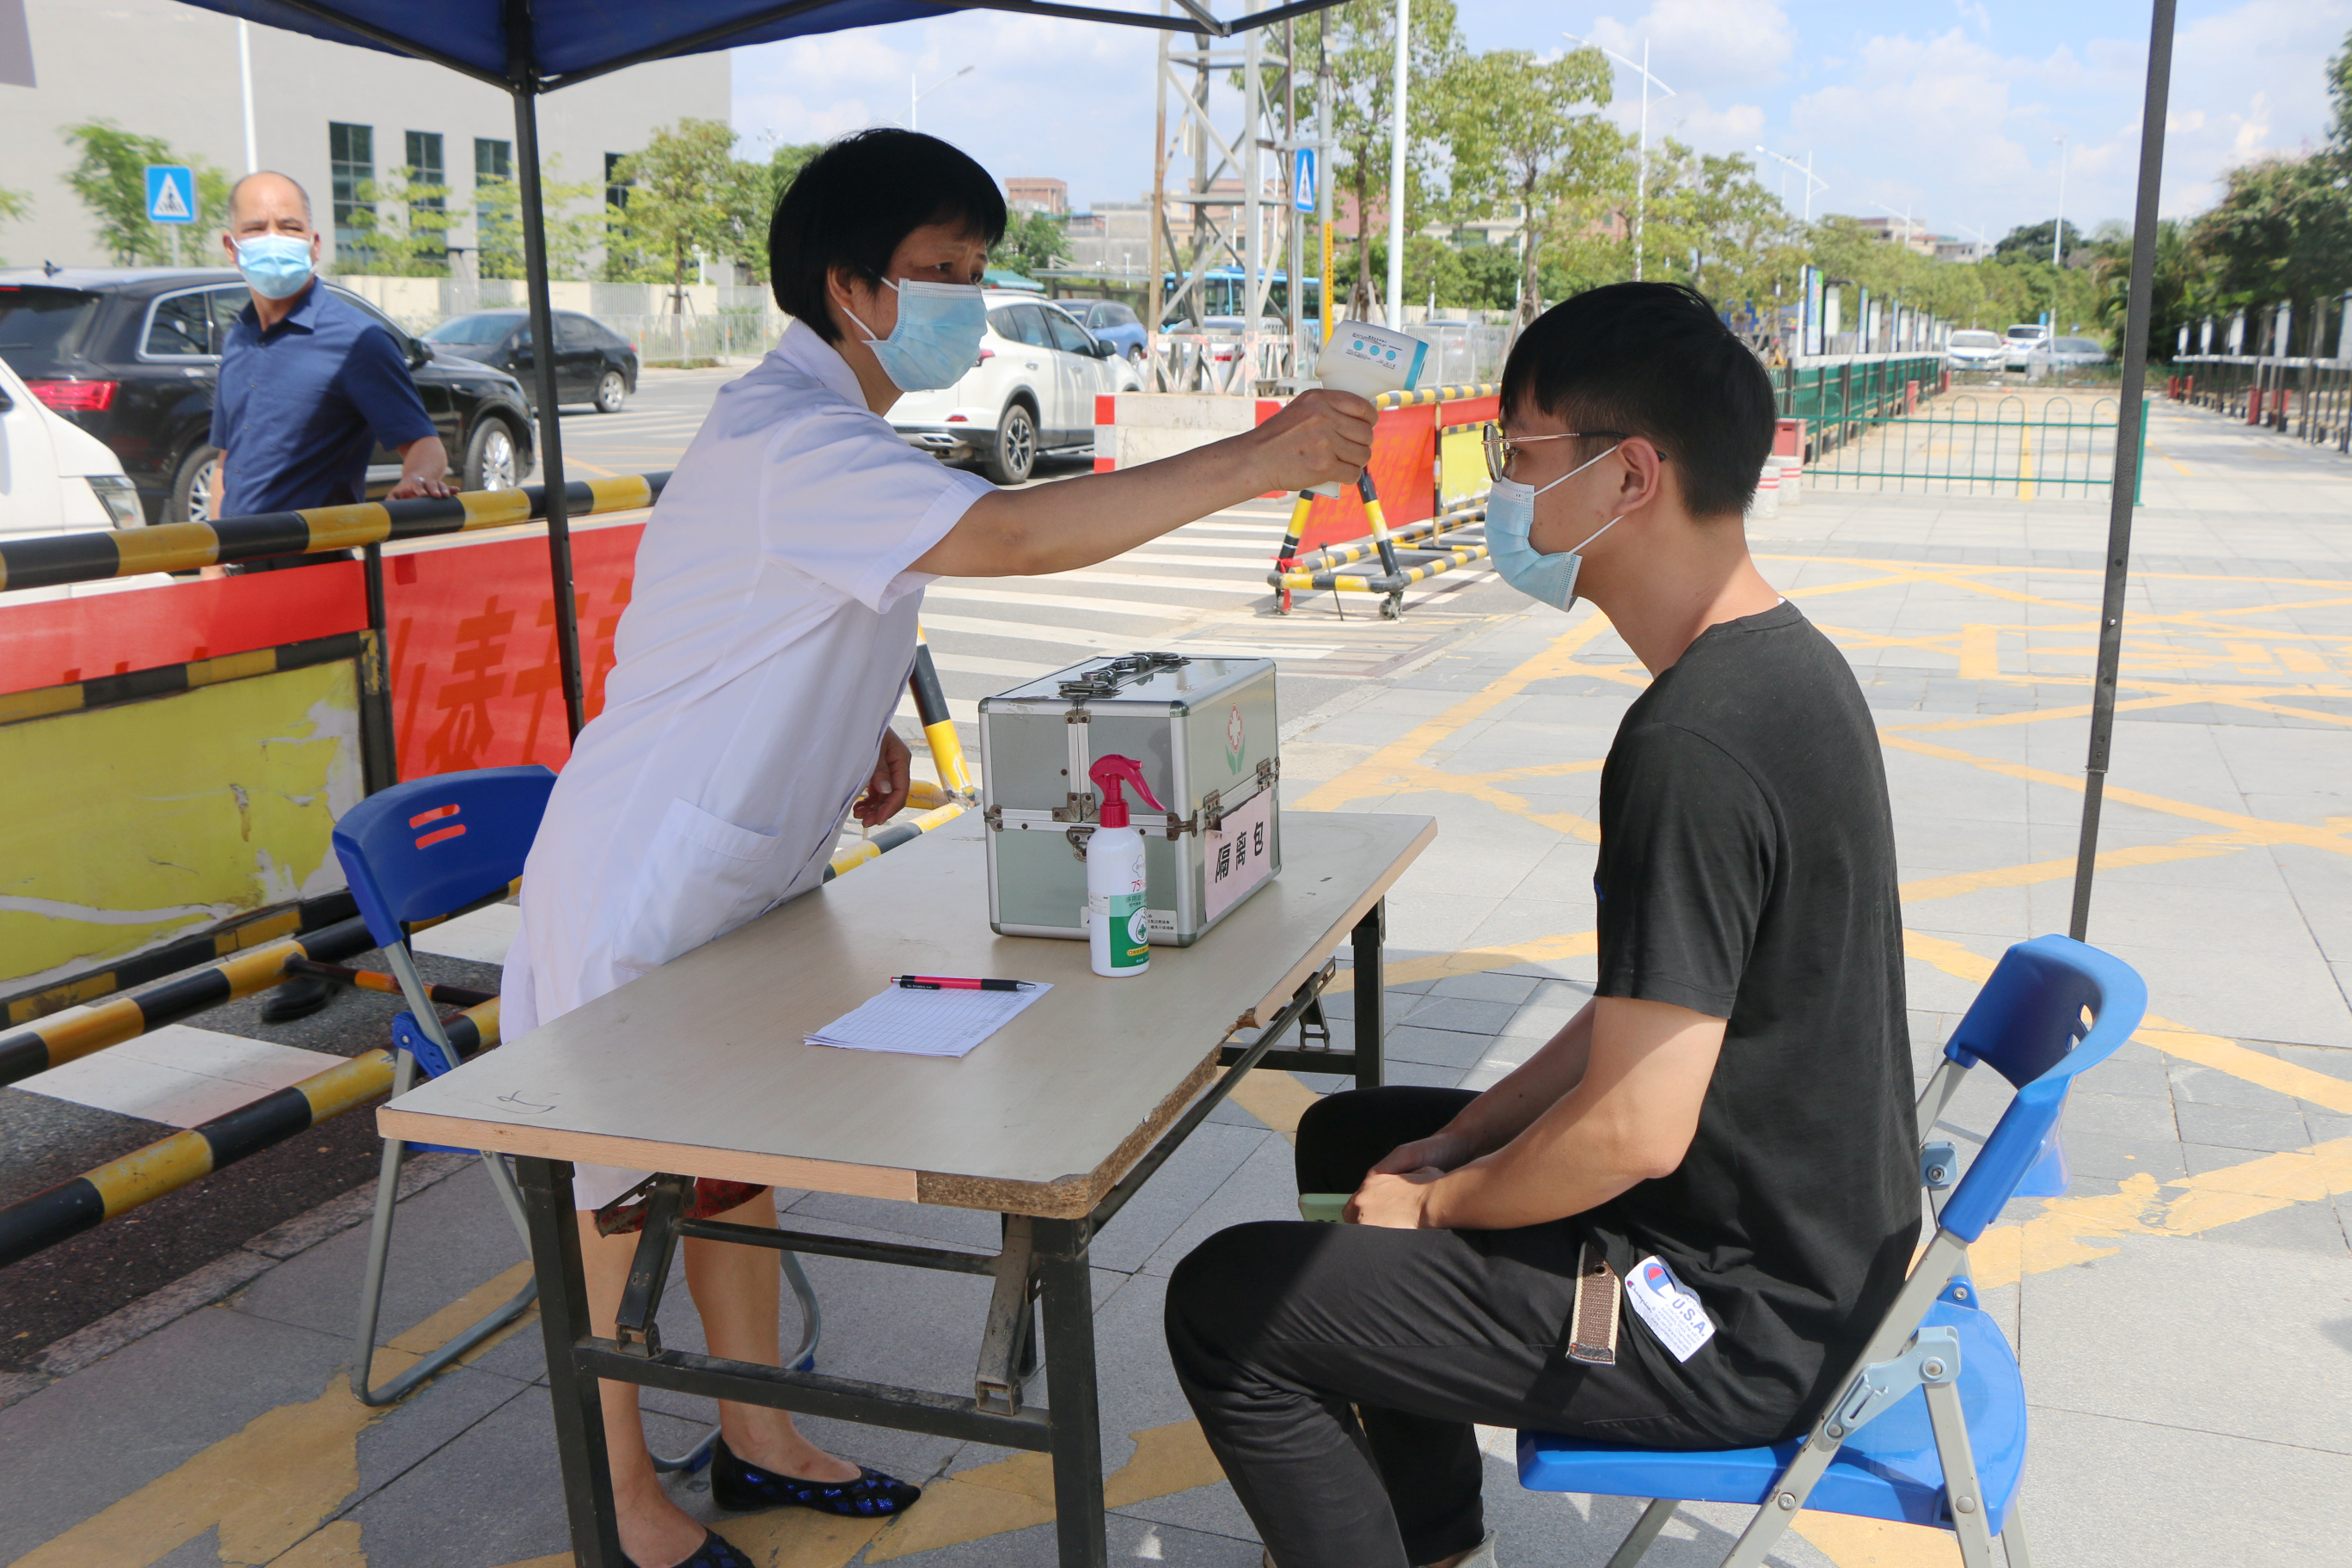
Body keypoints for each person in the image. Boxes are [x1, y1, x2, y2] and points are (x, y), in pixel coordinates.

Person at [502, 128, 1375, 1568]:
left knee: (724, 1165)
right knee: (615, 1190)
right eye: (942, 270)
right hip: (643, 876)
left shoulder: (835, 432)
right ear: (849, 288)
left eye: (977, 267)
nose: (970, 298)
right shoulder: (791, 440)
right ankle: (625, 1499)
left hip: (733, 867)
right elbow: (1014, 540)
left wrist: (859, 733)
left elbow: (789, 621)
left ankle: (759, 1432)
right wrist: (1256, 458)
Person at [1163, 282, 1920, 1568]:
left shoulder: (1692, 743)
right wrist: (1459, 1143)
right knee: (1357, 1137)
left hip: (1726, 1320)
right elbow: (1649, 1016)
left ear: (1630, 476)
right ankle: (1439, 1543)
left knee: (1226, 1304)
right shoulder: (1784, 664)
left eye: (1518, 454)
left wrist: (1444, 1210)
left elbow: (1635, 1127)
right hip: (1802, 1251)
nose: (1502, 490)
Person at [211, 171, 454, 1021]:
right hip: (240, 591)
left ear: (315, 242)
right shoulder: (237, 337)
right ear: (231, 245)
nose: (272, 239)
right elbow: (230, 463)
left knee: (316, 773)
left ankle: (331, 951)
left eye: (288, 224)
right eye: (257, 226)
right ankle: (297, 933)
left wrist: (420, 484)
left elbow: (421, 445)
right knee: (259, 774)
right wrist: (205, 569)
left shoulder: (354, 339)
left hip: (316, 596)